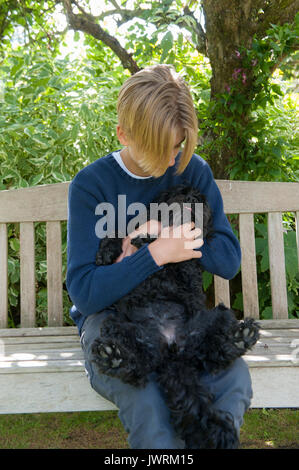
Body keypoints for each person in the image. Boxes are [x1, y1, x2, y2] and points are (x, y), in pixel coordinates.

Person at [66, 64, 252, 449]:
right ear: (124, 135)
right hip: (113, 324)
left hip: (182, 317)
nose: (172, 160)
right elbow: (85, 292)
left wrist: (170, 233)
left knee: (233, 380)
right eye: (160, 149)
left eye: (179, 146)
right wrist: (155, 255)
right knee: (148, 401)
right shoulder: (92, 185)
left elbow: (228, 259)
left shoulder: (191, 171)